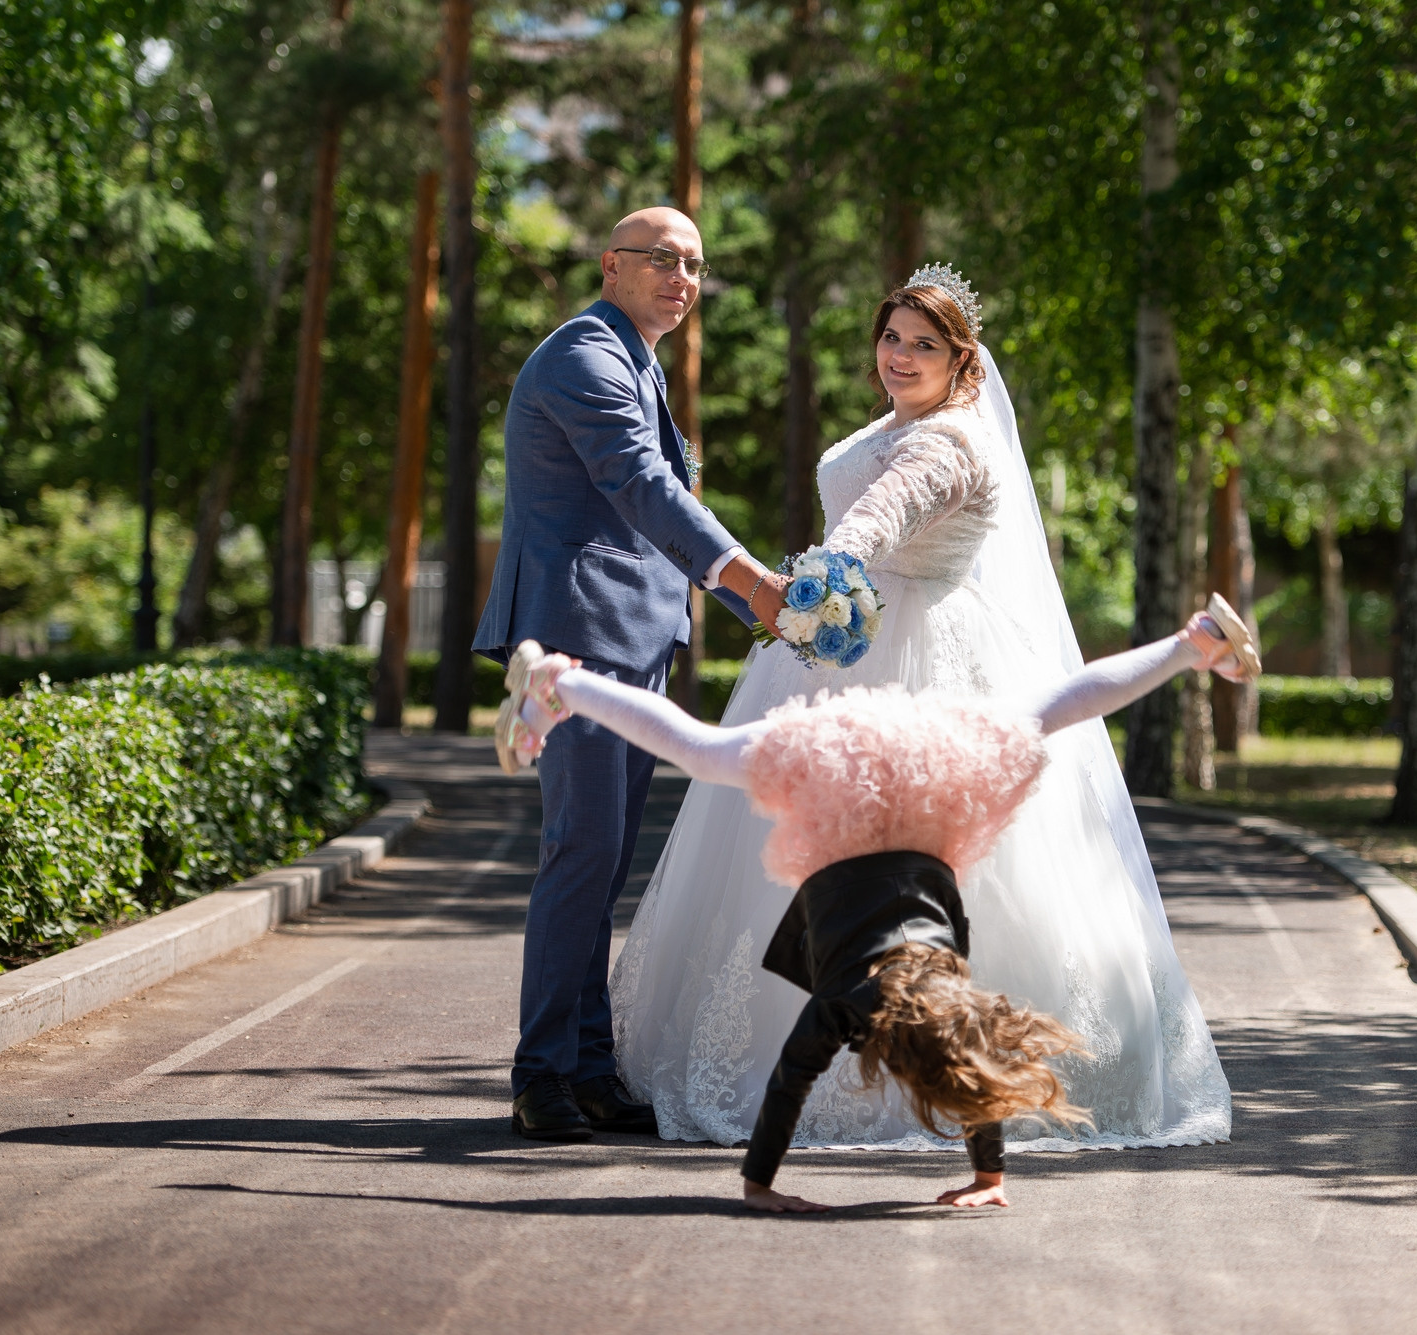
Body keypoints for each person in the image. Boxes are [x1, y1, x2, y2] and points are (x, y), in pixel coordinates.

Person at [607, 263, 1235, 1158]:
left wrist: (826, 575)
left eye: (923, 345)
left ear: (961, 361)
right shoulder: (903, 421)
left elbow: (884, 512)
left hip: (921, 659)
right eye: (891, 338)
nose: (899, 356)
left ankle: (934, 1069)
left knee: (921, 857)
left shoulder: (948, 443)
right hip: (859, 646)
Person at [491, 596, 1257, 1210]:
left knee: (1048, 710)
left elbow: (973, 1055)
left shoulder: (954, 988)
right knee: (706, 752)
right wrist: (760, 1186)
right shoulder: (847, 1004)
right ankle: (560, 685)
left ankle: (1193, 641)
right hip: (853, 790)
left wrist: (991, 1176)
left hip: (925, 771)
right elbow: (791, 1084)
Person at [471, 207, 790, 1143]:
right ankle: (540, 1075)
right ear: (612, 266)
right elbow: (641, 484)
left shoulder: (637, 361)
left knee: (604, 860)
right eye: (662, 259)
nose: (682, 278)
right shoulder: (585, 355)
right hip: (576, 645)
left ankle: (588, 1067)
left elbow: (659, 495)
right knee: (580, 853)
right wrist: (751, 584)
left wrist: (734, 600)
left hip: (634, 642)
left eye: (694, 265)